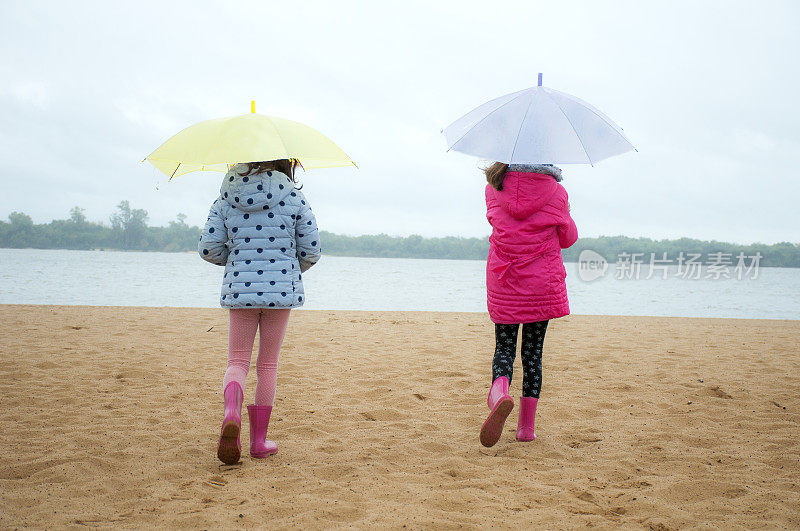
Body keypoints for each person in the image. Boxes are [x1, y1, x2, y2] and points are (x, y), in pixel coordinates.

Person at [198, 159, 320, 464]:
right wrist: (289, 268)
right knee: (267, 365)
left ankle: (231, 412)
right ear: (284, 161)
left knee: (237, 359)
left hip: (241, 290)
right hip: (281, 292)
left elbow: (208, 248)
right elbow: (311, 249)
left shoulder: (226, 196)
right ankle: (259, 441)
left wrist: (237, 262)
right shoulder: (293, 196)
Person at [479, 163, 578, 447]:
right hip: (540, 284)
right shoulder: (557, 192)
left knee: (504, 347)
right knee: (533, 354)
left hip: (504, 279)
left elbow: (504, 227)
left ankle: (499, 394)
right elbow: (568, 239)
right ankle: (526, 429)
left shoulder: (493, 187)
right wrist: (566, 211)